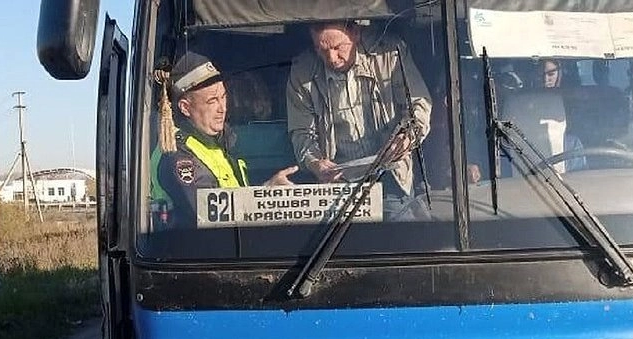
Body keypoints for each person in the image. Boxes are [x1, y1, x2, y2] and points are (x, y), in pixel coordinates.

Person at [286, 21, 432, 219]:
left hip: (390, 177)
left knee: (400, 230)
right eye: (322, 49)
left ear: (356, 34)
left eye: (338, 47)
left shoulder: (390, 53)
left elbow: (418, 106)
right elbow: (301, 132)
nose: (331, 58)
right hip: (337, 185)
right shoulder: (302, 71)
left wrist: (406, 138)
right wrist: (315, 163)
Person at [152, 51, 298, 228]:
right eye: (212, 101)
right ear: (185, 108)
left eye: (223, 97)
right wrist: (264, 196)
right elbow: (211, 213)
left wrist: (266, 193)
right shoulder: (176, 153)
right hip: (202, 245)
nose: (222, 108)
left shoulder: (218, 142)